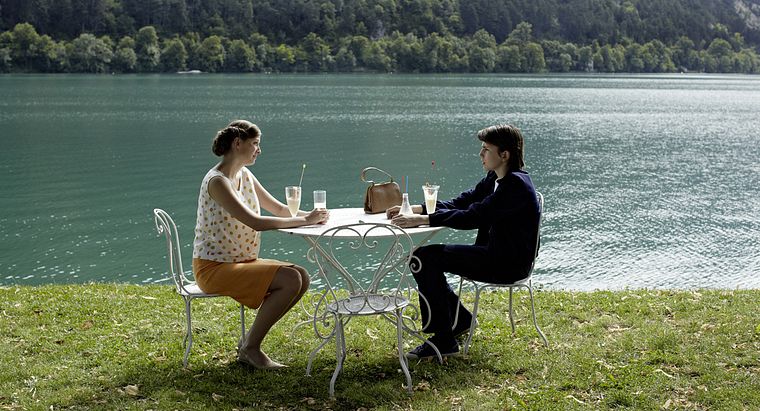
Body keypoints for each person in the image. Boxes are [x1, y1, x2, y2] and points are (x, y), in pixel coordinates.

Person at [389, 124, 540, 359]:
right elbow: (463, 202)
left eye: (486, 149)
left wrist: (423, 220)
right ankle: (460, 321)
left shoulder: (516, 185)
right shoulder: (495, 178)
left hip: (507, 264)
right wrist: (417, 208)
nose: (481, 154)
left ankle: (444, 340)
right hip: (492, 253)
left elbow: (473, 216)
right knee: (423, 257)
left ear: (504, 155)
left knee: (423, 258)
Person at [192, 120, 329, 369]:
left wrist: (313, 216)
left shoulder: (244, 174)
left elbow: (279, 209)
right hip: (213, 268)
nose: (259, 150)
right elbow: (254, 221)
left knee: (301, 276)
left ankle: (248, 343)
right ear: (238, 143)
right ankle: (251, 349)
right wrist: (304, 221)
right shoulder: (218, 182)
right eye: (255, 144)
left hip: (240, 262)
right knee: (291, 279)